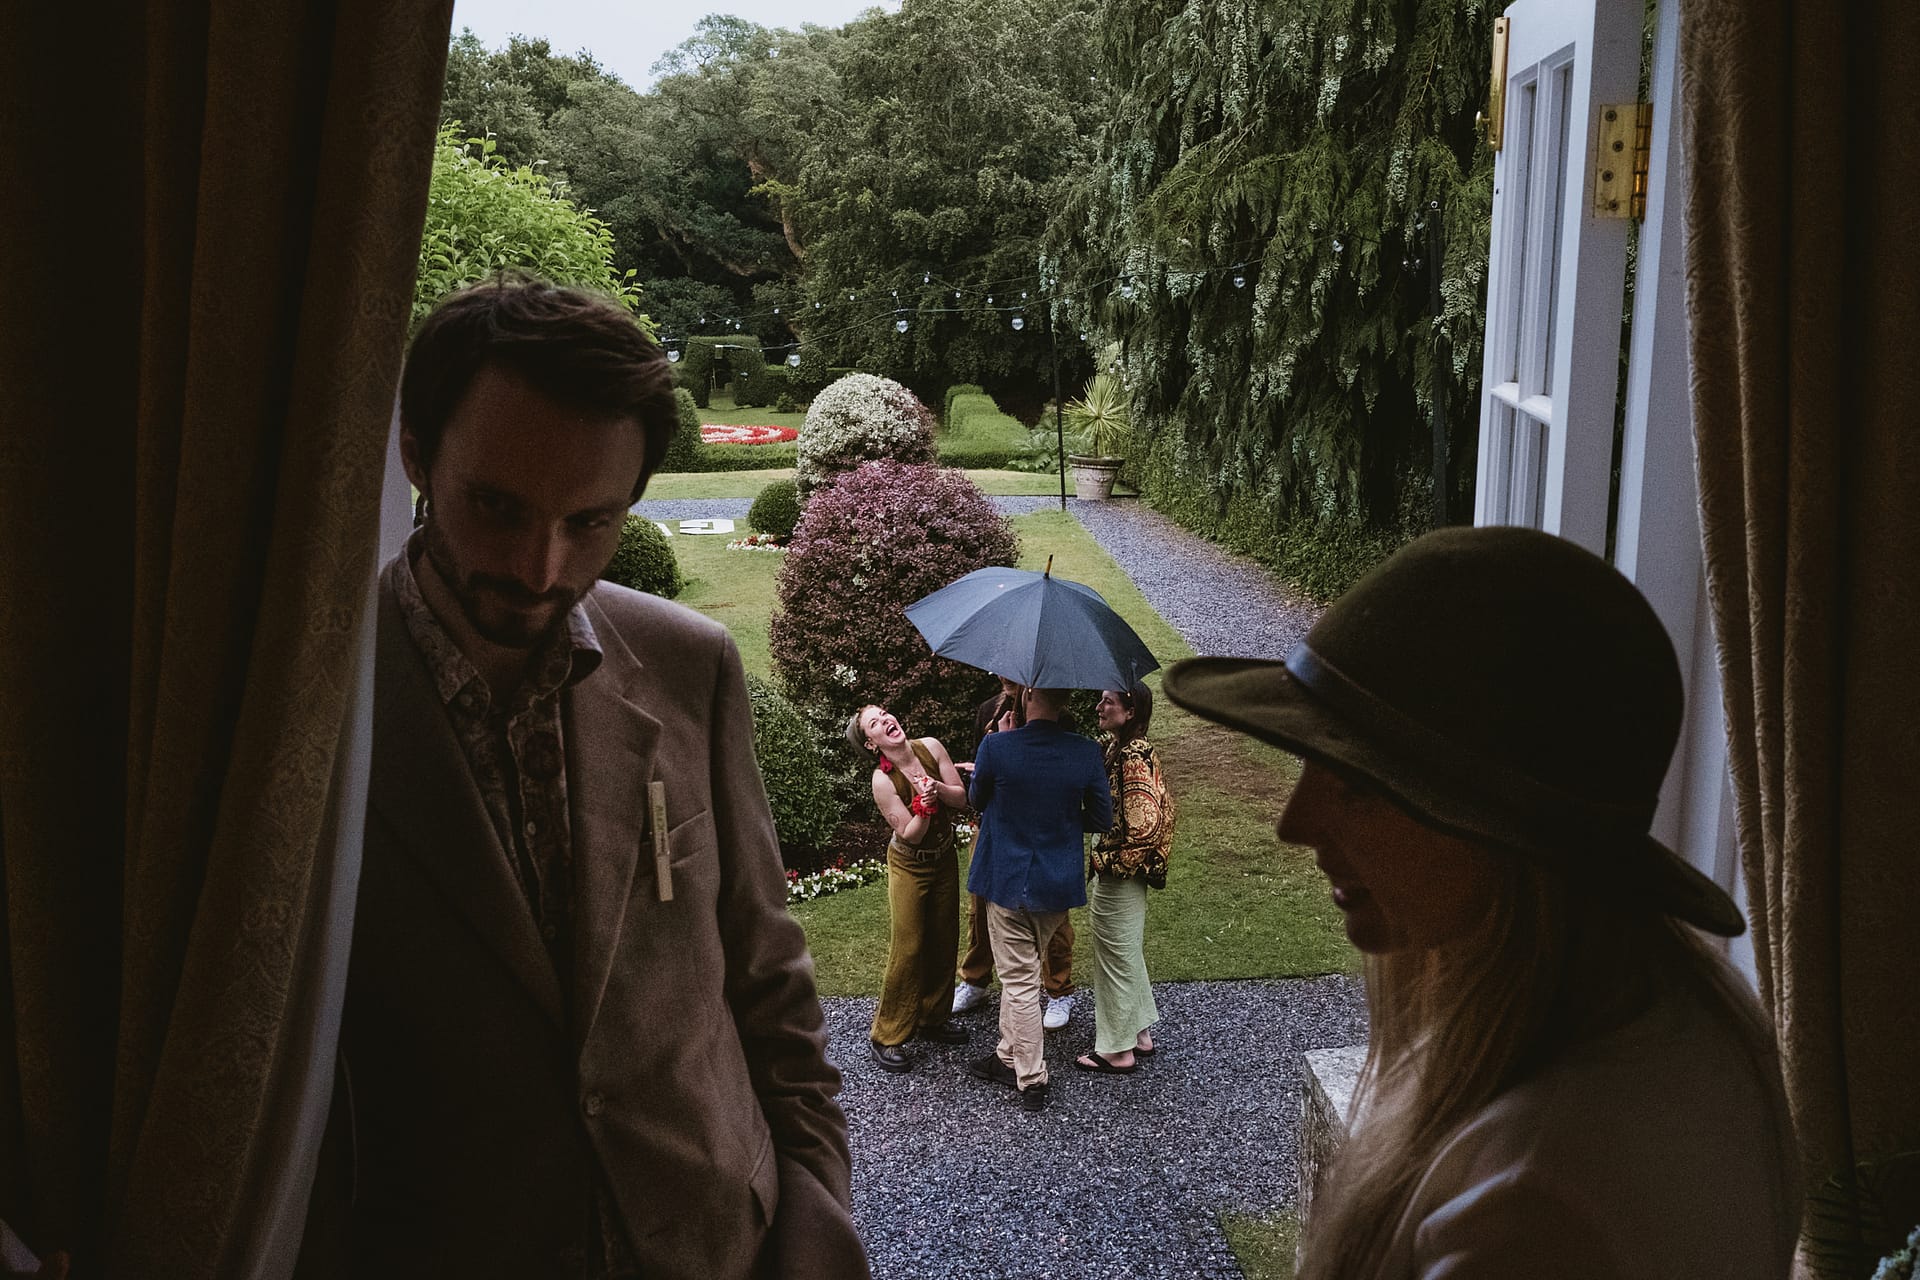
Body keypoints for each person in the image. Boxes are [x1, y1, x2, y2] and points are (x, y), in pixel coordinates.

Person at [301, 276, 867, 1279]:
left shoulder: (692, 666)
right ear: (416, 452)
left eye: (592, 520)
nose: (540, 565)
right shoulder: (317, 711)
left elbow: (768, 977)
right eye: (497, 506)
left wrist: (816, 1194)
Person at [1161, 526, 1801, 1280]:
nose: (1294, 825)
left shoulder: (1537, 1198)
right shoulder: (1680, 1010)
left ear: (1503, 834)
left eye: (1358, 787)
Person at [963, 686, 1111, 1112]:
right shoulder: (1085, 751)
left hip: (1007, 881)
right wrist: (1062, 817)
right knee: (1023, 972)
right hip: (1055, 885)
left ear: (1027, 693)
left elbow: (977, 800)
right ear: (1065, 699)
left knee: (1020, 982)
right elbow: (1101, 817)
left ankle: (1031, 1078)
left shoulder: (997, 746)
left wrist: (1001, 739)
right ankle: (1005, 1055)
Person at [846, 703, 972, 1073]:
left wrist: (936, 790)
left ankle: (933, 1018)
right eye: (875, 723)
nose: (886, 720)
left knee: (944, 936)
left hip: (944, 857)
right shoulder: (881, 780)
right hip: (909, 865)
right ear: (872, 743)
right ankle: (887, 1035)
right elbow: (910, 834)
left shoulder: (930, 747)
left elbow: (961, 798)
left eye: (884, 714)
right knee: (910, 944)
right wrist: (924, 807)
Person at [953, 676, 1080, 1028]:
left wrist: (1008, 748)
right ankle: (975, 980)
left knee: (1051, 910)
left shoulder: (1058, 716)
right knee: (980, 908)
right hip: (994, 827)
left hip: (1039, 831)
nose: (1003, 676)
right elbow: (981, 785)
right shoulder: (987, 712)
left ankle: (1058, 990)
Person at [1073, 682, 1174, 1075]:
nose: (1099, 706)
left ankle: (1117, 1050)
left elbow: (1145, 824)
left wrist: (1105, 859)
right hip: (1122, 871)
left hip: (1120, 873)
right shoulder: (1123, 748)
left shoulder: (1133, 753)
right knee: (1125, 950)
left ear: (1130, 712)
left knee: (1114, 955)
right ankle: (1140, 1032)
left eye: (1108, 701)